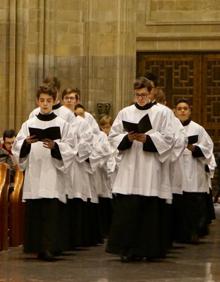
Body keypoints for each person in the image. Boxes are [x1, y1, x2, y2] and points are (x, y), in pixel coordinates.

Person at [106, 77, 174, 262]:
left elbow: (169, 138)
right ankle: (127, 249)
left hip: (150, 168)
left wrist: (149, 139)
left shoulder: (163, 113)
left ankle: (148, 249)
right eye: (137, 95)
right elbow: (113, 137)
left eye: (144, 95)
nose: (141, 99)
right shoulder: (125, 112)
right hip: (129, 168)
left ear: (151, 93)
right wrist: (128, 138)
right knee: (127, 211)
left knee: (148, 212)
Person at [12, 84, 76, 261]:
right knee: (35, 212)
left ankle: (50, 248)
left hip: (52, 174)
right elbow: (17, 147)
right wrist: (25, 143)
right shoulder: (29, 123)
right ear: (37, 101)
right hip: (35, 173)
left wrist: (56, 146)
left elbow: (71, 148)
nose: (45, 104)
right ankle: (35, 247)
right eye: (42, 100)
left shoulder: (62, 124)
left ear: (55, 100)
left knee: (51, 213)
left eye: (49, 100)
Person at [173, 98, 214, 243]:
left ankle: (193, 232)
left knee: (193, 207)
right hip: (176, 171)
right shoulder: (171, 128)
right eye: (179, 108)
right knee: (178, 206)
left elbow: (208, 148)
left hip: (193, 171)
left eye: (185, 108)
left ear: (190, 111)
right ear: (175, 111)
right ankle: (178, 235)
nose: (182, 111)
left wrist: (194, 148)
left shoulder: (198, 129)